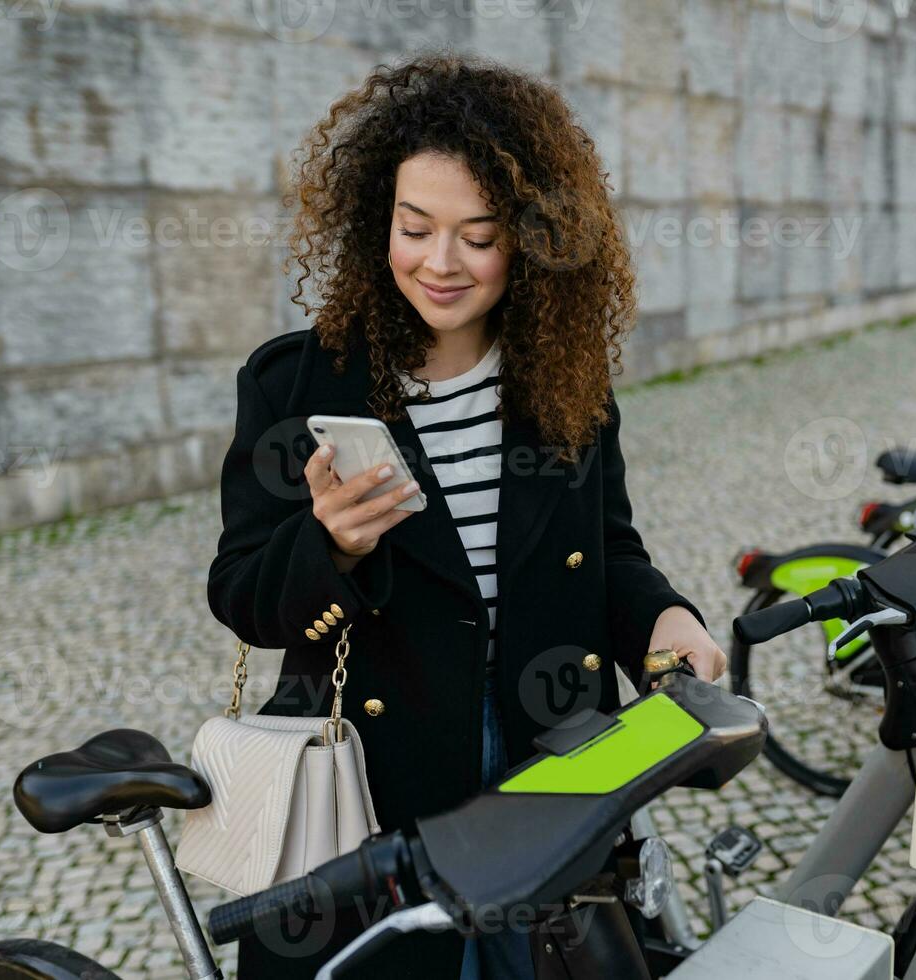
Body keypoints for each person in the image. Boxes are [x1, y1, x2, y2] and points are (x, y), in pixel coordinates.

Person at [206, 53, 727, 979]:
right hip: (378, 780)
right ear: (381, 223)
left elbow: (609, 548)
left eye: (479, 237)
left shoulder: (566, 384)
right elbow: (243, 595)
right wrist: (329, 545)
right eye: (416, 228)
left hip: (551, 755)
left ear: (529, 241)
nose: (440, 264)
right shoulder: (293, 382)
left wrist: (662, 617)